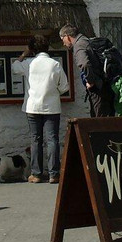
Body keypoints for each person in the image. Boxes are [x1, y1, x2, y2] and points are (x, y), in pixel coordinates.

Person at [12, 33, 69, 183]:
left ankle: (36, 174)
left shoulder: (29, 63)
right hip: (51, 107)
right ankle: (53, 174)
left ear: (32, 49)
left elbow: (14, 67)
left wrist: (24, 53)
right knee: (52, 140)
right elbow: (64, 87)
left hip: (32, 107)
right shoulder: (55, 64)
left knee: (35, 139)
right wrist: (52, 92)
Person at [59, 25, 112, 117]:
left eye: (62, 39)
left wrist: (90, 81)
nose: (63, 43)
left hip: (97, 88)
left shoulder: (79, 45)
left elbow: (84, 64)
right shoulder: (86, 40)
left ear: (67, 36)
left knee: (98, 121)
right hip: (105, 85)